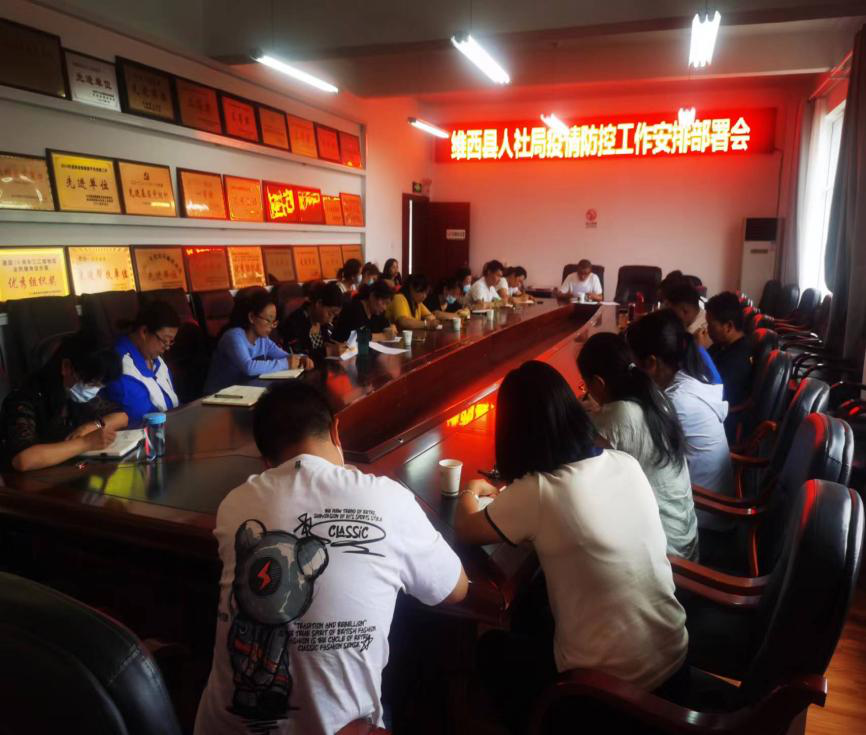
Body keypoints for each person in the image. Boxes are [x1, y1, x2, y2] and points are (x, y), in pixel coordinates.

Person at [194, 380, 468, 735]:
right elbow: (455, 590)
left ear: (265, 462)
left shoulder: (235, 504)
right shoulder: (388, 499)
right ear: (336, 430)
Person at [454, 361, 687, 732]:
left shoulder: (541, 490)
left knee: (491, 648)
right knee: (534, 605)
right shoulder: (624, 462)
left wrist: (469, 489)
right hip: (674, 656)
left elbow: (466, 528)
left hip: (604, 693)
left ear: (514, 433)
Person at [577, 333, 698, 560]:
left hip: (666, 555)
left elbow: (578, 461)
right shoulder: (654, 396)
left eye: (586, 385)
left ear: (598, 383)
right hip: (684, 537)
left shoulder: (619, 416)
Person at [626, 309, 733, 497]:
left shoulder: (676, 401)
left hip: (704, 505)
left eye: (634, 366)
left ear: (651, 363)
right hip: (713, 493)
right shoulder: (689, 377)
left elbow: (638, 455)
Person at [1, 332, 128, 471]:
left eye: (99, 385)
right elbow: (23, 460)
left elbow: (121, 416)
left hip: (70, 472)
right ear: (66, 367)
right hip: (31, 480)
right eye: (91, 382)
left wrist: (92, 426)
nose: (93, 390)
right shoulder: (25, 398)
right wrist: (85, 443)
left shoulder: (72, 393)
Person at [204, 288, 312, 394]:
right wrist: (286, 363)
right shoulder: (233, 336)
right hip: (217, 396)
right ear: (251, 317)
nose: (271, 327)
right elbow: (249, 367)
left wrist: (301, 358)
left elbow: (284, 356)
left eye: (274, 322)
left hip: (244, 393)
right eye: (268, 320)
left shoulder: (263, 340)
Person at [103, 301, 181, 424]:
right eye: (165, 340)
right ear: (144, 332)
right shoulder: (119, 365)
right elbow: (140, 417)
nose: (167, 347)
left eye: (171, 341)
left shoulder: (157, 360)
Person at [706, 291, 753, 408]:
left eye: (710, 325)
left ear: (728, 326)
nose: (707, 329)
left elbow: (715, 393)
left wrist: (700, 350)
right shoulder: (722, 344)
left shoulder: (738, 359)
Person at [280, 281, 346, 361]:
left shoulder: (322, 323)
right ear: (319, 304)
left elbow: (324, 343)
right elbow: (296, 355)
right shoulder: (295, 322)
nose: (331, 319)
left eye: (334, 315)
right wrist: (328, 351)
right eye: (330, 313)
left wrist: (332, 345)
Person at [331, 280, 397, 343]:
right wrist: (383, 336)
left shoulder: (377, 312)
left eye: (387, 304)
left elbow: (385, 326)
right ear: (372, 296)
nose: (385, 308)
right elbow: (357, 337)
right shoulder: (354, 309)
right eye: (384, 303)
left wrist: (392, 327)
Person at [665, 281, 709, 346]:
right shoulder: (702, 314)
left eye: (672, 313)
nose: (669, 317)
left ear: (685, 311)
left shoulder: (697, 334)